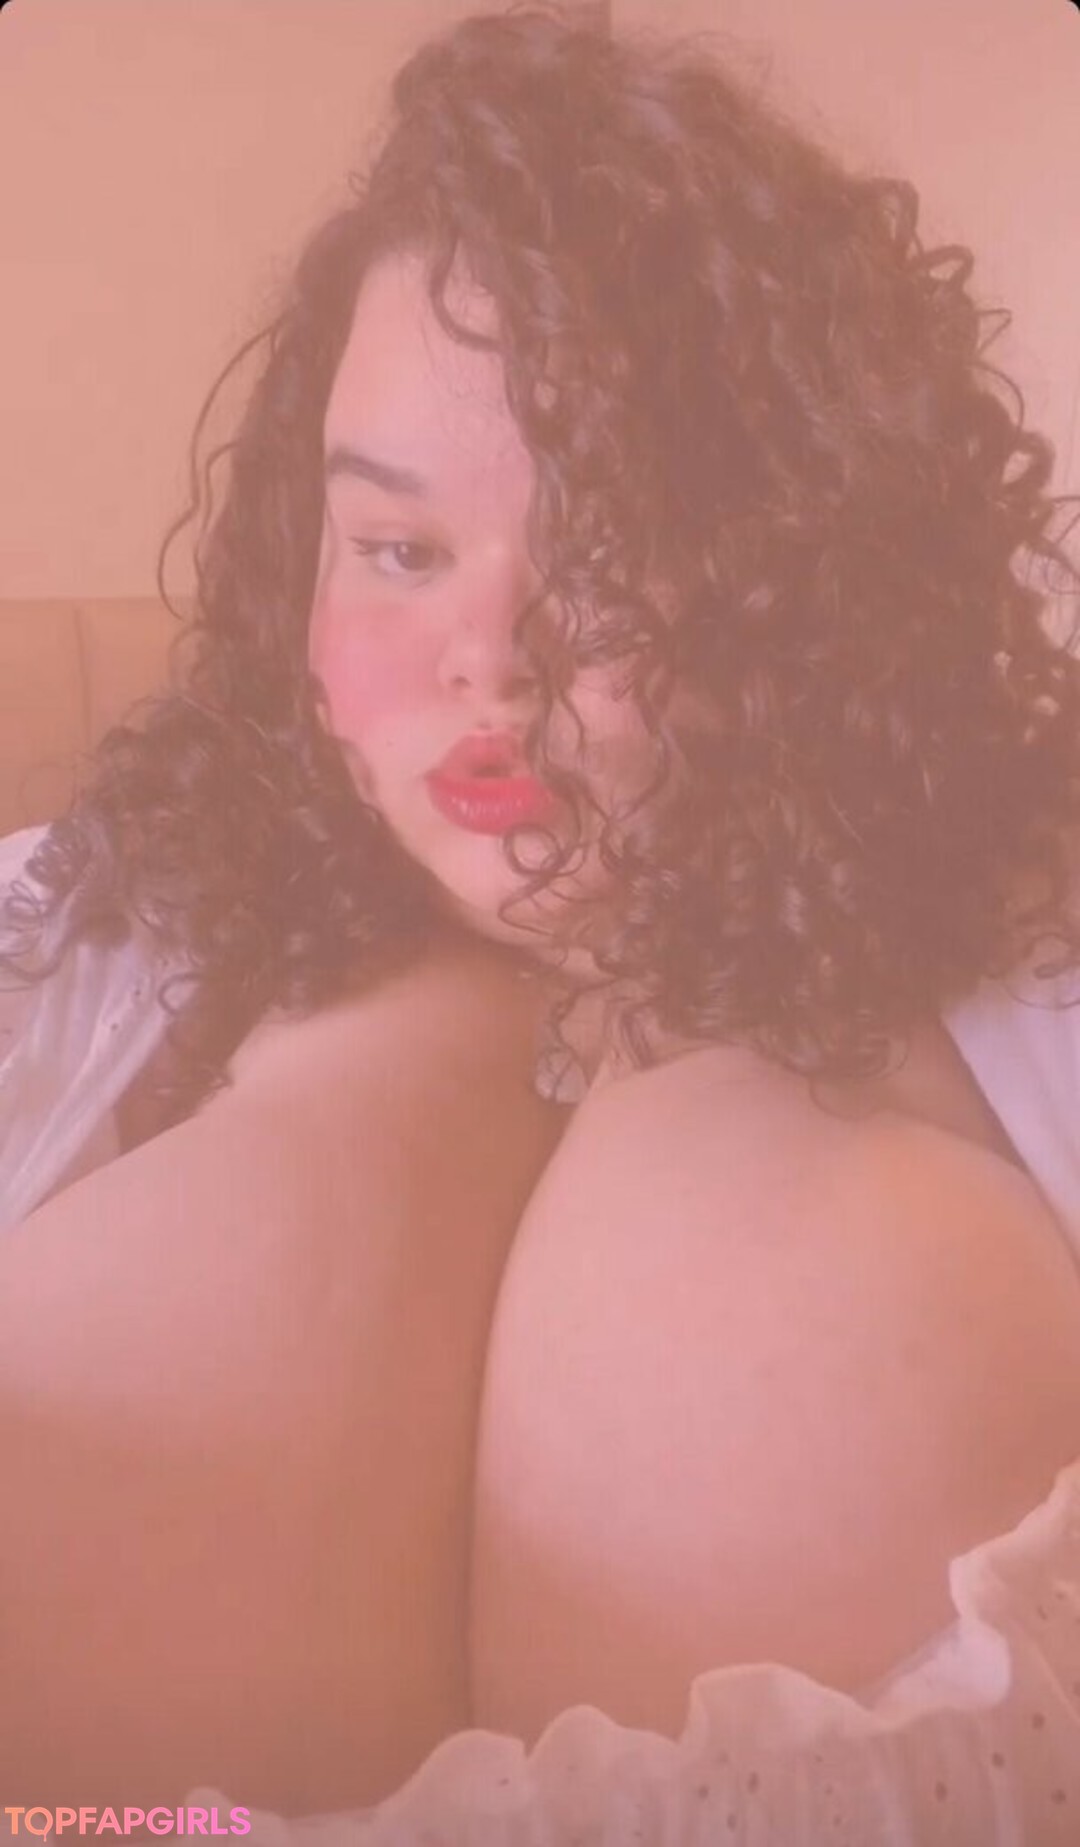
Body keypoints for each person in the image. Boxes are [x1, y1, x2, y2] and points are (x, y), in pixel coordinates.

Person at [3, 3, 1080, 1835]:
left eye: (604, 559)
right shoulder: (83, 937)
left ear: (809, 588)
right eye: (398, 552)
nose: (488, 662)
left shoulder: (1025, 960)